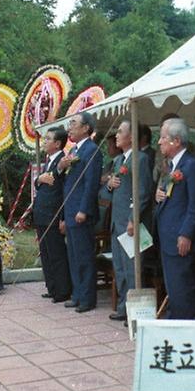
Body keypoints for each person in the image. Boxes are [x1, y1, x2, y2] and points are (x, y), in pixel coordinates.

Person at [154, 117, 195, 319]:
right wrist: (160, 196)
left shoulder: (190, 165)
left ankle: (185, 322)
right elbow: (170, 196)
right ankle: (175, 317)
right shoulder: (171, 166)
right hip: (167, 235)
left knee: (181, 285)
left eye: (163, 137)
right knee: (173, 284)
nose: (159, 142)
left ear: (176, 141)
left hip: (179, 237)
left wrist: (186, 234)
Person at [107, 120, 152, 321]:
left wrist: (134, 218)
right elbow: (111, 190)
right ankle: (124, 306)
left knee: (132, 267)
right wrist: (109, 184)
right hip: (116, 220)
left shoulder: (140, 159)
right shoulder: (118, 161)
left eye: (120, 131)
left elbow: (142, 192)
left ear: (132, 136)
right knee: (119, 266)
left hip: (129, 221)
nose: (116, 135)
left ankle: (134, 311)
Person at [58, 112, 103, 313]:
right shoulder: (74, 150)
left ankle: (87, 298)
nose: (69, 128)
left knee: (84, 255)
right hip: (70, 209)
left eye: (73, 124)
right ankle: (77, 294)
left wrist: (84, 209)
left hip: (81, 212)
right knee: (73, 255)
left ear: (86, 128)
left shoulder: (92, 150)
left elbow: (91, 183)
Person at [32, 126, 72, 304]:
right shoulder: (50, 161)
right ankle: (52, 286)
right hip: (42, 213)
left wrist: (63, 217)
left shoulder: (63, 160)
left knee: (56, 253)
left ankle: (62, 290)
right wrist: (39, 179)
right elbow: (39, 182)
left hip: (53, 214)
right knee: (46, 253)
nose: (45, 141)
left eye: (48, 139)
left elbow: (62, 188)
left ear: (57, 143)